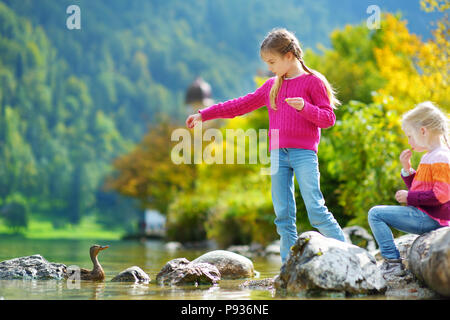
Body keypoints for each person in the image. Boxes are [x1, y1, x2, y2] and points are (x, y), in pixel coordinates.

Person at [186, 28, 346, 263]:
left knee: (316, 210)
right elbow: (240, 105)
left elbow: (328, 119)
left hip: (304, 155)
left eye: (272, 61)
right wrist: (205, 114)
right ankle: (287, 268)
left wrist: (304, 107)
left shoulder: (314, 82)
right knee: (283, 216)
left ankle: (351, 255)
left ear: (289, 56)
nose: (269, 67)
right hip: (277, 155)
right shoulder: (272, 86)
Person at [368, 101, 450, 278]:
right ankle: (392, 262)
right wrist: (407, 169)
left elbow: (441, 195)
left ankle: (392, 263)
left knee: (375, 214)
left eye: (410, 136)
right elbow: (421, 189)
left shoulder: (441, 157)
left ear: (423, 131)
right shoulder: (430, 156)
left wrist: (409, 197)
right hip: (427, 215)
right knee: (377, 214)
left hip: (432, 218)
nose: (409, 141)